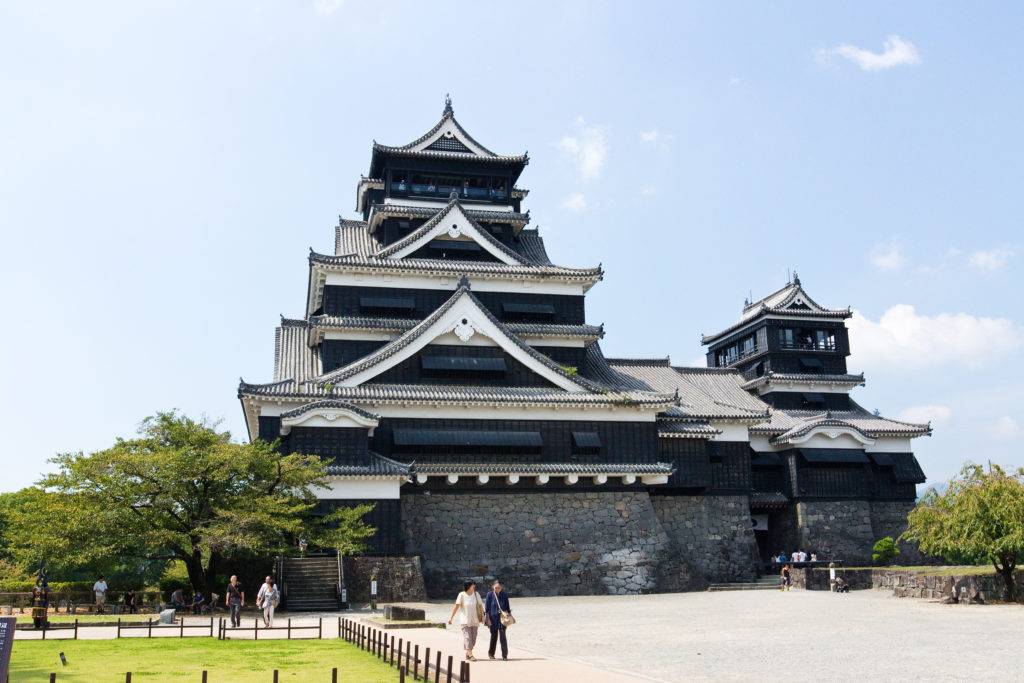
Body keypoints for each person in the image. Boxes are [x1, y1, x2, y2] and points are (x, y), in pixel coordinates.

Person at [447, 580, 484, 662]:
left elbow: (480, 606)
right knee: (467, 637)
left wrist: (483, 616)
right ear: (468, 586)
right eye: (473, 585)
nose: (474, 586)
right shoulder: (462, 595)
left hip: (475, 620)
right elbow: (456, 606)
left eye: (474, 585)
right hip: (465, 620)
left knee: (473, 639)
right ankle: (470, 655)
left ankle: (468, 652)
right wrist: (451, 618)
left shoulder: (476, 594)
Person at [484, 580, 512, 661]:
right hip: (493, 618)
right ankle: (491, 654)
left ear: (501, 588)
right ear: (493, 587)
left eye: (499, 588)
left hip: (502, 619)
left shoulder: (504, 595)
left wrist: (509, 615)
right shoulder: (490, 594)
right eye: (496, 588)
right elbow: (487, 608)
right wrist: (487, 618)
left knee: (503, 636)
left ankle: (504, 655)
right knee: (494, 636)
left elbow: (507, 606)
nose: (497, 589)